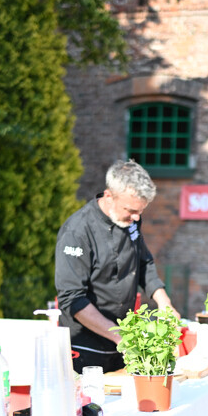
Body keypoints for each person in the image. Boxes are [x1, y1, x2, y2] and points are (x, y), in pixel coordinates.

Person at [55, 159, 178, 374]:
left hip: (123, 343)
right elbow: (72, 299)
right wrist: (119, 335)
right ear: (109, 196)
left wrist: (164, 302)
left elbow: (143, 261)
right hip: (86, 347)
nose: (136, 217)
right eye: (130, 210)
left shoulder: (130, 222)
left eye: (140, 211)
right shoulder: (77, 232)